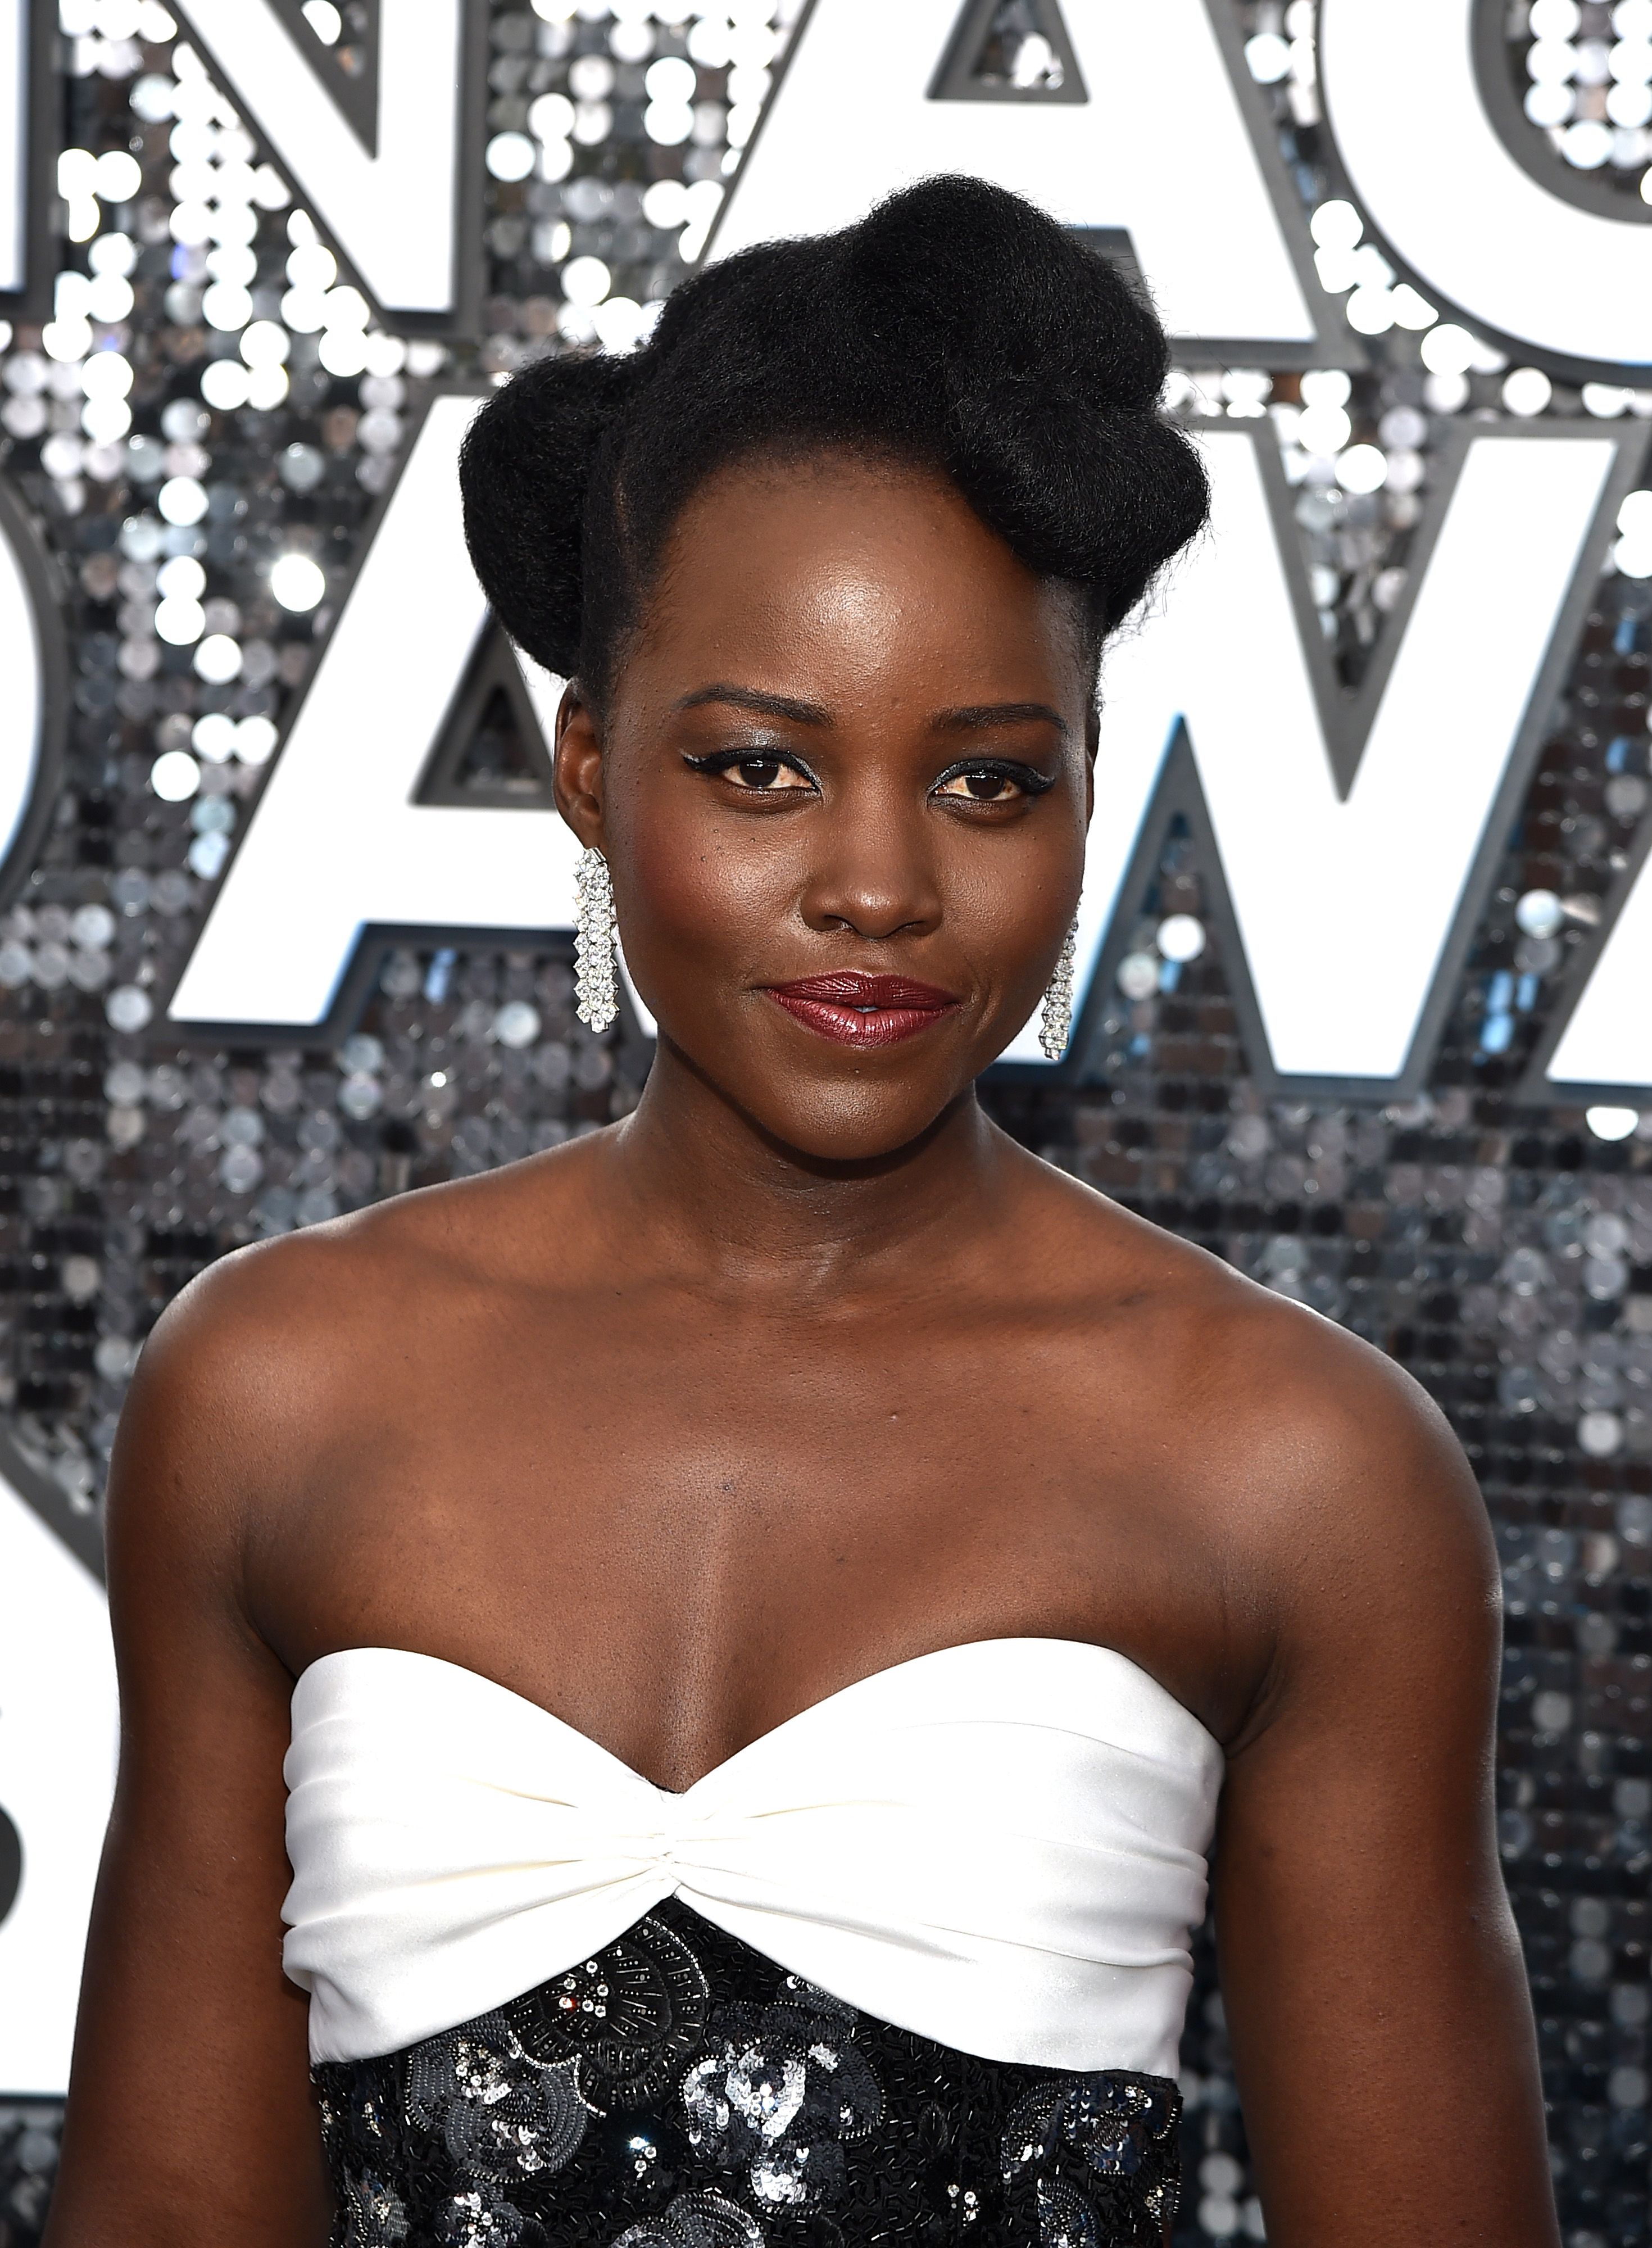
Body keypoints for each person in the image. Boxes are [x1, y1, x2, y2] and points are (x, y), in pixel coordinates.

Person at [45, 177, 1556, 2248]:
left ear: (1087, 784)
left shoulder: (1294, 1471)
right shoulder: (279, 1390)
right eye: (762, 769)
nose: (876, 885)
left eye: (986, 781)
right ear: (591, 768)